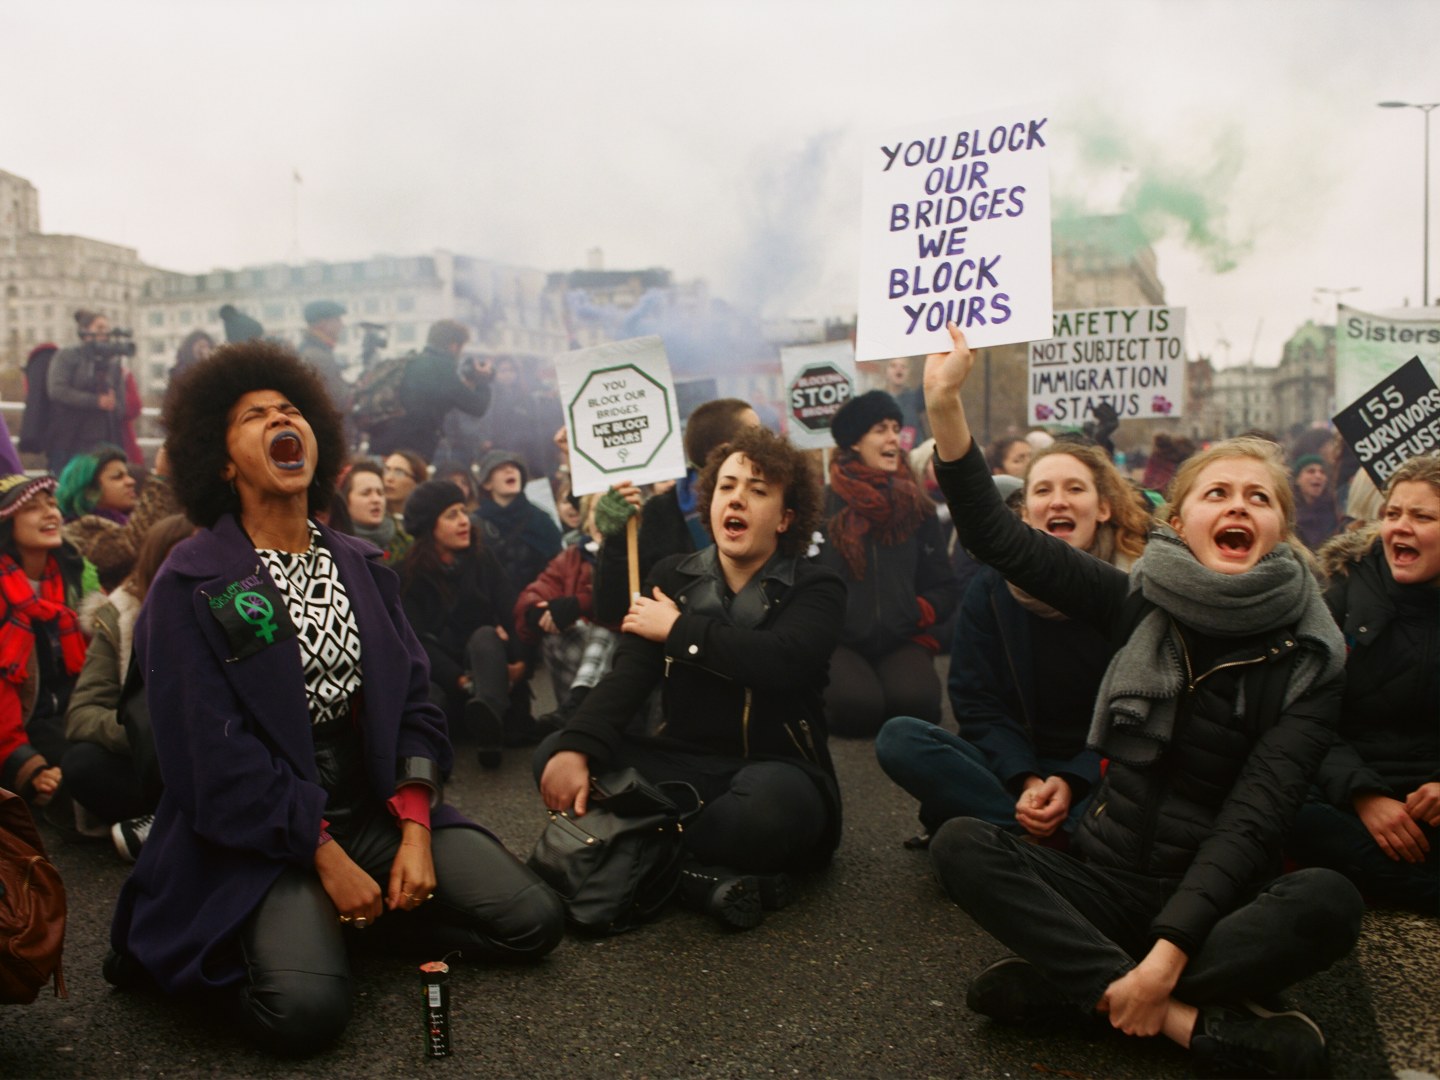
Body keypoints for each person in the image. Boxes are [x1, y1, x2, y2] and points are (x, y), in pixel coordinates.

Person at [921, 322, 1362, 1080]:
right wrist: (944, 408)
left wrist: (1164, 960)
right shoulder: (1138, 600)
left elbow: (1255, 822)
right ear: (1179, 520)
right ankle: (1191, 1024)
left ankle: (1084, 991)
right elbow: (999, 537)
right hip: (1106, 875)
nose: (1237, 506)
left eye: (1258, 498)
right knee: (962, 843)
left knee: (1329, 901)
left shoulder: (1312, 658)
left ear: (1279, 527)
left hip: (1216, 900)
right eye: (1216, 493)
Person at [105, 340, 563, 1056]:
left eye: (291, 410)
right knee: (305, 1016)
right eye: (253, 415)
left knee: (533, 921)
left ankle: (355, 920)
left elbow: (415, 701)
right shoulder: (191, 582)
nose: (280, 419)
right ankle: (305, 930)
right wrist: (323, 856)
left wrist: (413, 827)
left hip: (371, 803)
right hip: (257, 827)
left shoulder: (363, 565)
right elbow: (207, 758)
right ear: (222, 461)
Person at [536, 425, 844, 929]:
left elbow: (781, 660)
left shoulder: (817, 584)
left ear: (786, 518)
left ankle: (633, 851)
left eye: (758, 490)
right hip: (682, 767)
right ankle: (697, 878)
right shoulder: (672, 574)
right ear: (709, 501)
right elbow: (628, 675)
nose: (737, 498)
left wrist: (679, 631)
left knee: (764, 813)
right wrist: (580, 745)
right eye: (726, 486)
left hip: (776, 772)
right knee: (555, 755)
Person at [877, 441, 1151, 848]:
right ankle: (1048, 836)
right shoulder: (990, 587)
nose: (1058, 502)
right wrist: (1026, 780)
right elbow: (975, 701)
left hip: (1100, 770)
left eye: (1075, 489)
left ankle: (1013, 836)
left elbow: (1140, 720)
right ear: (1023, 513)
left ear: (1104, 508)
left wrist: (1072, 779)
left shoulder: (1136, 589)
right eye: (1043, 491)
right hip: (1012, 768)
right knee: (899, 739)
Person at [1287, 455, 1440, 913]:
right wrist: (1363, 795)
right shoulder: (1341, 592)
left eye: (1422, 516)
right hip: (1346, 799)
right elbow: (1304, 709)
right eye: (1392, 514)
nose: (1400, 527)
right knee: (1293, 816)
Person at [813, 390, 959, 737]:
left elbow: (944, 585)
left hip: (901, 637)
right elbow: (800, 582)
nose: (894, 437)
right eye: (880, 429)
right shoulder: (820, 508)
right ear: (853, 443)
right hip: (840, 642)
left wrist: (916, 611)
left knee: (918, 707)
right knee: (858, 710)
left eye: (896, 427)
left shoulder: (917, 507)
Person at [62, 513, 196, 857]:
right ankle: (180, 823)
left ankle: (168, 828)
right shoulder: (120, 616)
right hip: (159, 762)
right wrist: (147, 731)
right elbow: (82, 714)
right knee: (83, 764)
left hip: (227, 753)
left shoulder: (242, 605)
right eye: (179, 558)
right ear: (156, 566)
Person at [591, 398, 759, 625]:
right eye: (757, 433)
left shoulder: (773, 505)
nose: (768, 442)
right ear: (725, 449)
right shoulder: (661, 514)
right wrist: (617, 541)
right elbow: (616, 609)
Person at [399, 479, 523, 769]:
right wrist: (458, 678)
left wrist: (521, 660)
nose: (464, 521)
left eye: (463, 512)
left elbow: (511, 610)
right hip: (443, 677)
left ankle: (489, 724)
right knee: (430, 696)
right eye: (451, 515)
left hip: (486, 668)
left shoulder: (482, 559)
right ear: (430, 525)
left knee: (485, 636)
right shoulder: (406, 575)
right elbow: (415, 641)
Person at [0, 474, 93, 811]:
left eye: (52, 504)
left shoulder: (73, 575)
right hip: (24, 724)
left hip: (72, 712)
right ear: (8, 523)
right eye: (34, 509)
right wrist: (27, 764)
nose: (51, 514)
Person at [365, 320, 492, 461]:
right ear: (454, 346)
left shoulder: (411, 361)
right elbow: (478, 407)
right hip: (410, 450)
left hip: (381, 442)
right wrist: (483, 379)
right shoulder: (443, 370)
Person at [473, 449, 563, 600]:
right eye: (501, 468)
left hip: (536, 606)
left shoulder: (541, 520)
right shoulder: (474, 525)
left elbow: (558, 570)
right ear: (487, 483)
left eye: (514, 467)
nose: (510, 470)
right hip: (492, 613)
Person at [45, 310, 127, 473]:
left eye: (107, 328)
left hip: (105, 438)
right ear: (85, 331)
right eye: (100, 328)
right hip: (70, 438)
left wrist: (113, 404)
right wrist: (95, 401)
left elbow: (122, 404)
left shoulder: (112, 362)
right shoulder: (68, 356)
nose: (105, 333)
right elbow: (57, 390)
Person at [328, 460, 412, 562]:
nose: (376, 500)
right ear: (345, 499)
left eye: (380, 493)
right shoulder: (332, 545)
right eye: (366, 493)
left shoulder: (405, 545)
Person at [297, 299, 350, 414]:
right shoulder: (317, 356)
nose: (342, 325)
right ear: (322, 323)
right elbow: (339, 401)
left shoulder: (313, 350)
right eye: (337, 320)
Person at [1291, 453, 1343, 551]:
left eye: (1322, 472)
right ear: (1298, 479)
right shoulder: (1289, 512)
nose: (1318, 476)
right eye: (1311, 471)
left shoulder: (1334, 509)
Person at [382, 449, 427, 521]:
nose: (389, 478)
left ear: (417, 483)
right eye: (386, 470)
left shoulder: (421, 523)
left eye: (399, 473)